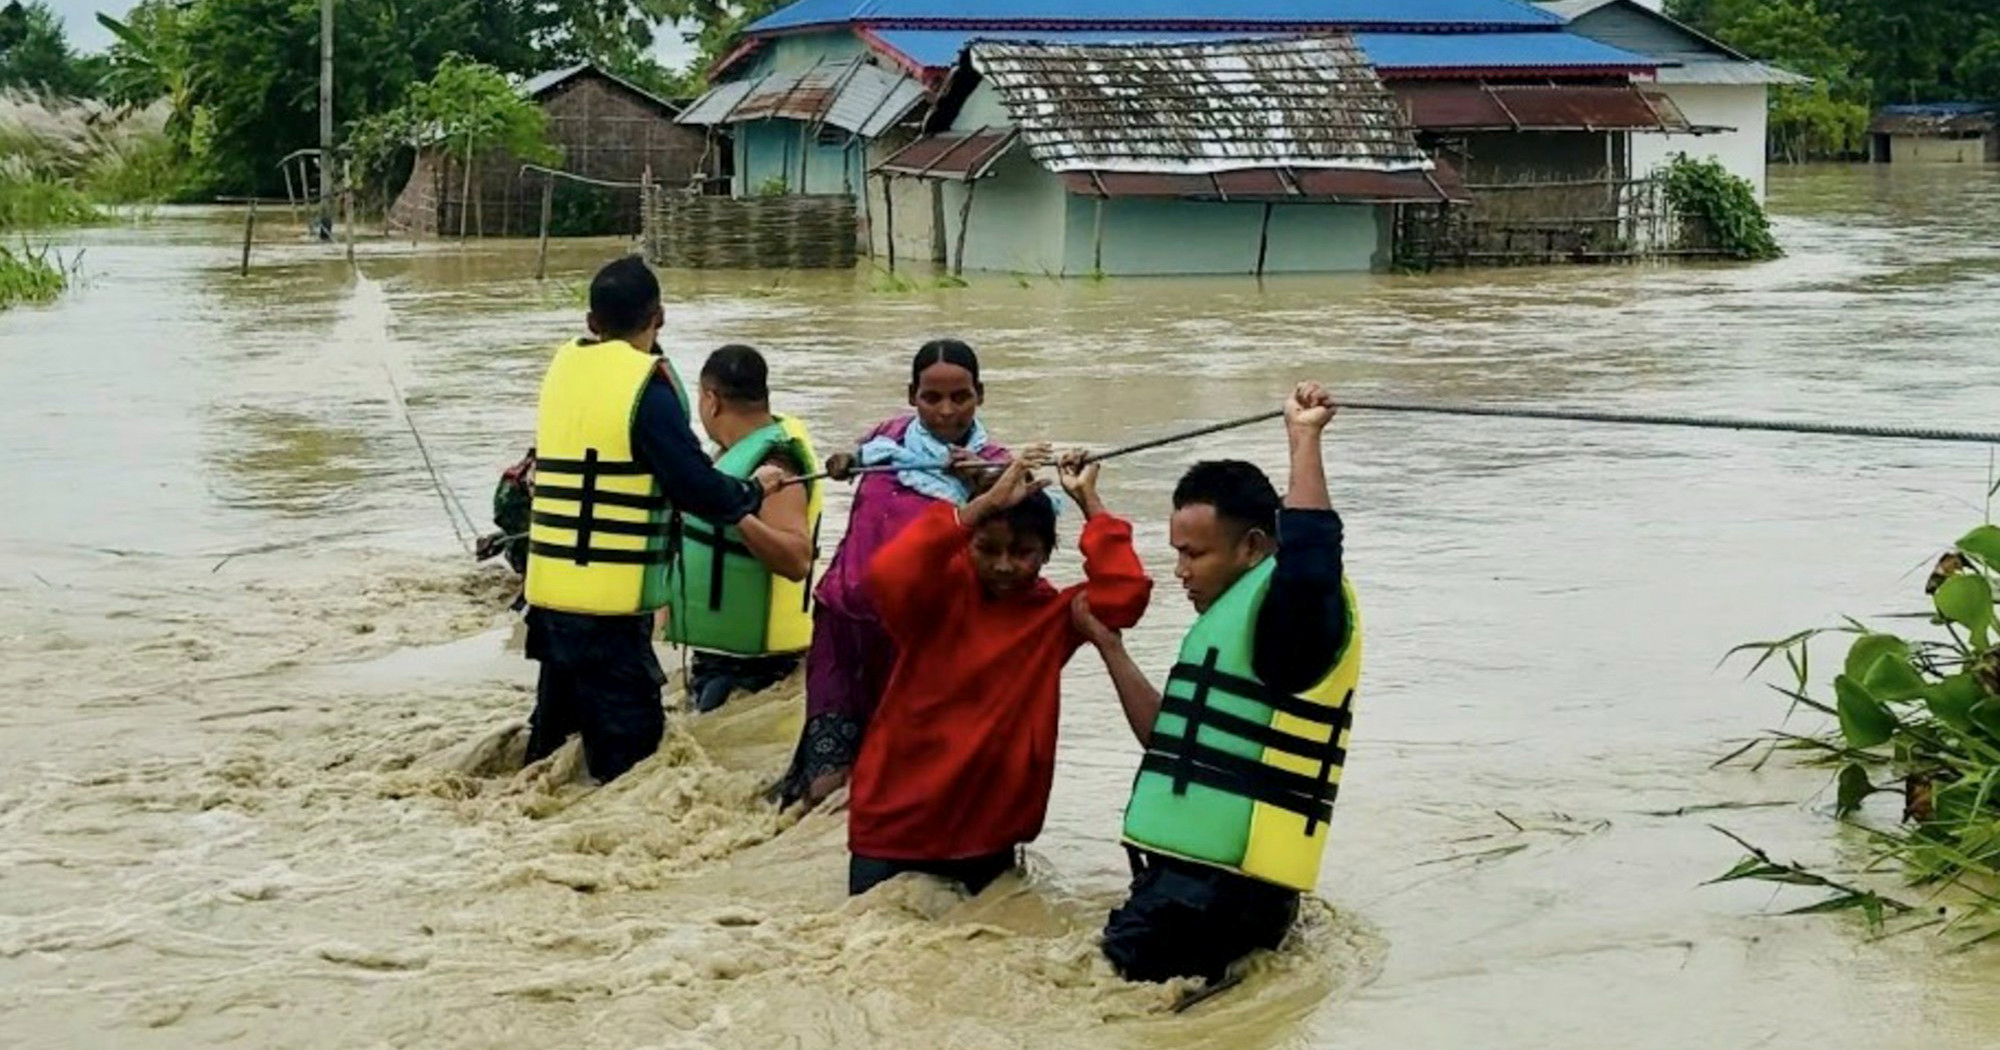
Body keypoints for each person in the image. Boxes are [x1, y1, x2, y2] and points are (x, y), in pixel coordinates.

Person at [1071, 381, 1360, 985]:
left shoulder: (1293, 624)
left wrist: (1303, 438)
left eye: (1194, 555)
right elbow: (1169, 740)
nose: (1180, 572)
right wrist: (1110, 647)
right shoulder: (1240, 629)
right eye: (1177, 552)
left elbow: (1311, 559)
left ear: (1254, 547)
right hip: (1200, 889)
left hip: (1213, 896)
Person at [522, 256, 786, 783]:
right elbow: (693, 486)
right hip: (610, 617)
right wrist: (751, 491)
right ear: (659, 316)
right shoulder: (648, 389)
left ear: (591, 322)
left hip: (550, 604)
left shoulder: (563, 369)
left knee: (553, 748)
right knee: (631, 769)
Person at [847, 452, 1153, 895]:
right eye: (987, 549)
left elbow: (1123, 599)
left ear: (1047, 552)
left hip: (989, 829)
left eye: (1023, 552)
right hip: (896, 821)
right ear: (967, 542)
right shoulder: (934, 595)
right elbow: (887, 572)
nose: (1005, 565)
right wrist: (982, 505)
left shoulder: (1055, 616)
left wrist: (1089, 500)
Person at [772, 339, 1014, 807]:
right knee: (826, 782)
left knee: (896, 773)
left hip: (918, 641)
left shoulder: (998, 468)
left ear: (980, 395)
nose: (946, 411)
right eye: (932, 397)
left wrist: (978, 485)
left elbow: (1020, 546)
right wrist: (844, 460)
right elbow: (855, 454)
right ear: (912, 395)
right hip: (842, 621)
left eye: (960, 397)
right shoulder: (888, 440)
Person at [663, 345, 823, 713]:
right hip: (718, 661)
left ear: (711, 399)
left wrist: (734, 511)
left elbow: (796, 559)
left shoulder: (774, 465)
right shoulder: (731, 454)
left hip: (757, 672)